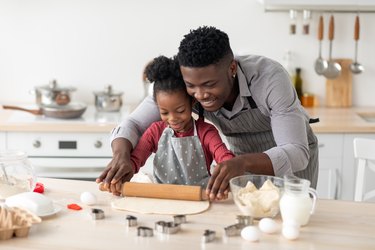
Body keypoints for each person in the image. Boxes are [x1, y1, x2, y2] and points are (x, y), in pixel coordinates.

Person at [97, 26, 319, 200]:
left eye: (209, 84)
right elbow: (134, 123)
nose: (200, 94)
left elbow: (296, 152)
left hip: (290, 163)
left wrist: (242, 163)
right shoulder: (182, 80)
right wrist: (121, 156)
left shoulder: (268, 78)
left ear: (232, 69)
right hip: (237, 160)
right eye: (191, 86)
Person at [99, 55, 234, 196]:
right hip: (162, 197)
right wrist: (119, 176)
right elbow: (135, 160)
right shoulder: (155, 132)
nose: (173, 118)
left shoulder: (206, 132)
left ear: (192, 102)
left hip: (199, 196)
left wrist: (228, 171)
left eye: (180, 111)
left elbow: (224, 157)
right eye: (164, 112)